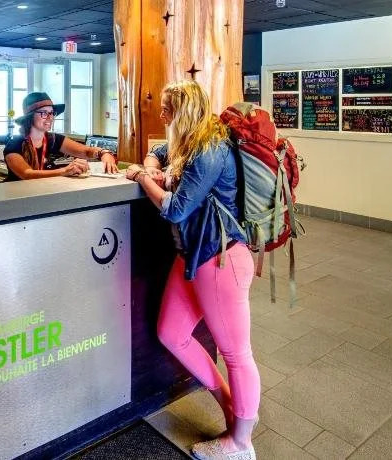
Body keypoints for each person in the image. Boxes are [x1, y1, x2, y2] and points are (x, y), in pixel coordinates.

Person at [126, 80, 260, 460]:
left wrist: (141, 177)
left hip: (220, 260)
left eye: (167, 109)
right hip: (192, 258)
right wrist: (151, 165)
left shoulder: (209, 149)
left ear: (183, 110)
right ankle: (230, 403)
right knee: (171, 332)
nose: (161, 114)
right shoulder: (188, 141)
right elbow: (158, 150)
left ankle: (241, 443)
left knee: (236, 353)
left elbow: (175, 209)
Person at [3, 92, 118, 181]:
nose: (50, 118)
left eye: (52, 113)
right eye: (44, 113)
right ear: (30, 117)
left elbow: (86, 151)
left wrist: (104, 153)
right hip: (17, 197)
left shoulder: (53, 139)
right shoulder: (15, 144)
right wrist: (64, 171)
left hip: (41, 194)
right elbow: (26, 174)